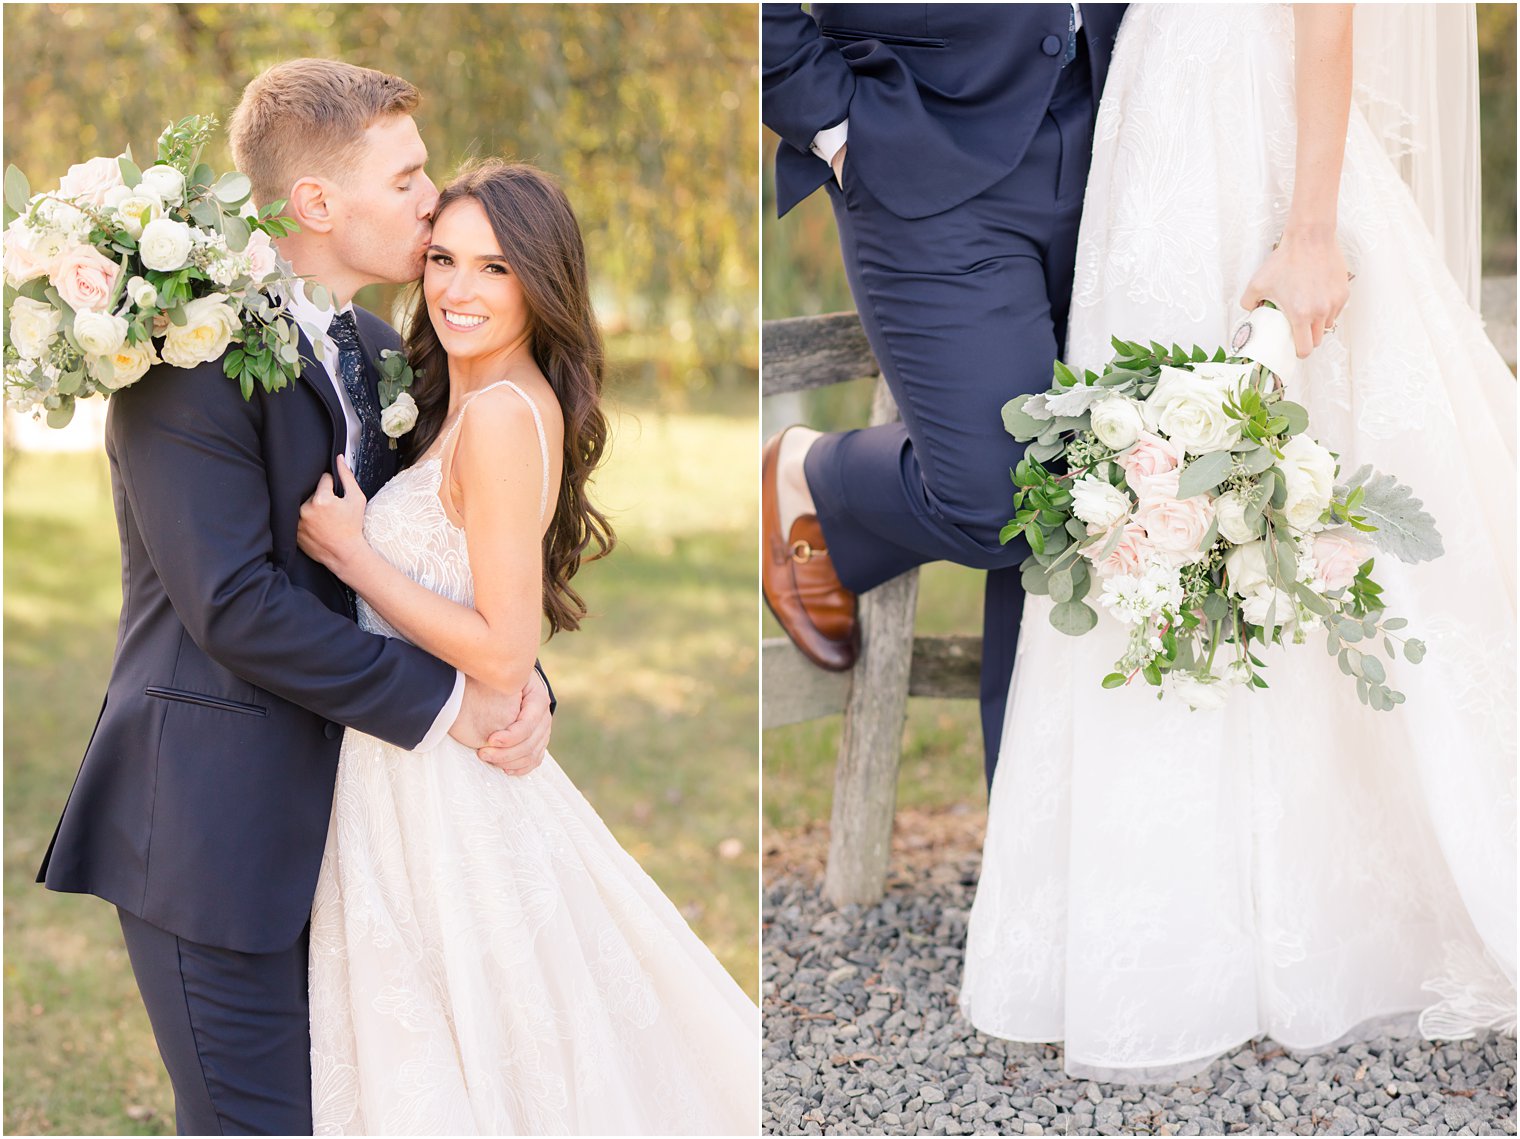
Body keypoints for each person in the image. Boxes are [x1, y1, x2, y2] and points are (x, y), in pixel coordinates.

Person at [959, 4, 1516, 1082]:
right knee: (1169, 496)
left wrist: (1307, 227)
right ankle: (1201, 915)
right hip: (1156, 127)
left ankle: (1336, 904)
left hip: (1253, 134)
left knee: (1321, 485)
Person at [36, 60, 554, 1134]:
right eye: (407, 178)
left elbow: (427, 547)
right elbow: (233, 603)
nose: (431, 197)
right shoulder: (185, 355)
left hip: (360, 828)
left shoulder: (373, 349)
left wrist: (512, 667)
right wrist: (457, 701)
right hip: (213, 830)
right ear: (316, 202)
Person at [295, 159, 759, 1135]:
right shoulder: (460, 402)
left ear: (539, 283)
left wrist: (352, 554)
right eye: (444, 260)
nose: (460, 290)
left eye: (495, 269)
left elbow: (502, 655)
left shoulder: (503, 417)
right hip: (408, 763)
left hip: (442, 777)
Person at [761, 3, 1127, 787]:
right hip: (918, 133)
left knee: (1104, 476)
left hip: (1127, 122)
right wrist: (829, 121)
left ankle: (1031, 843)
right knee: (1008, 498)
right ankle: (812, 474)